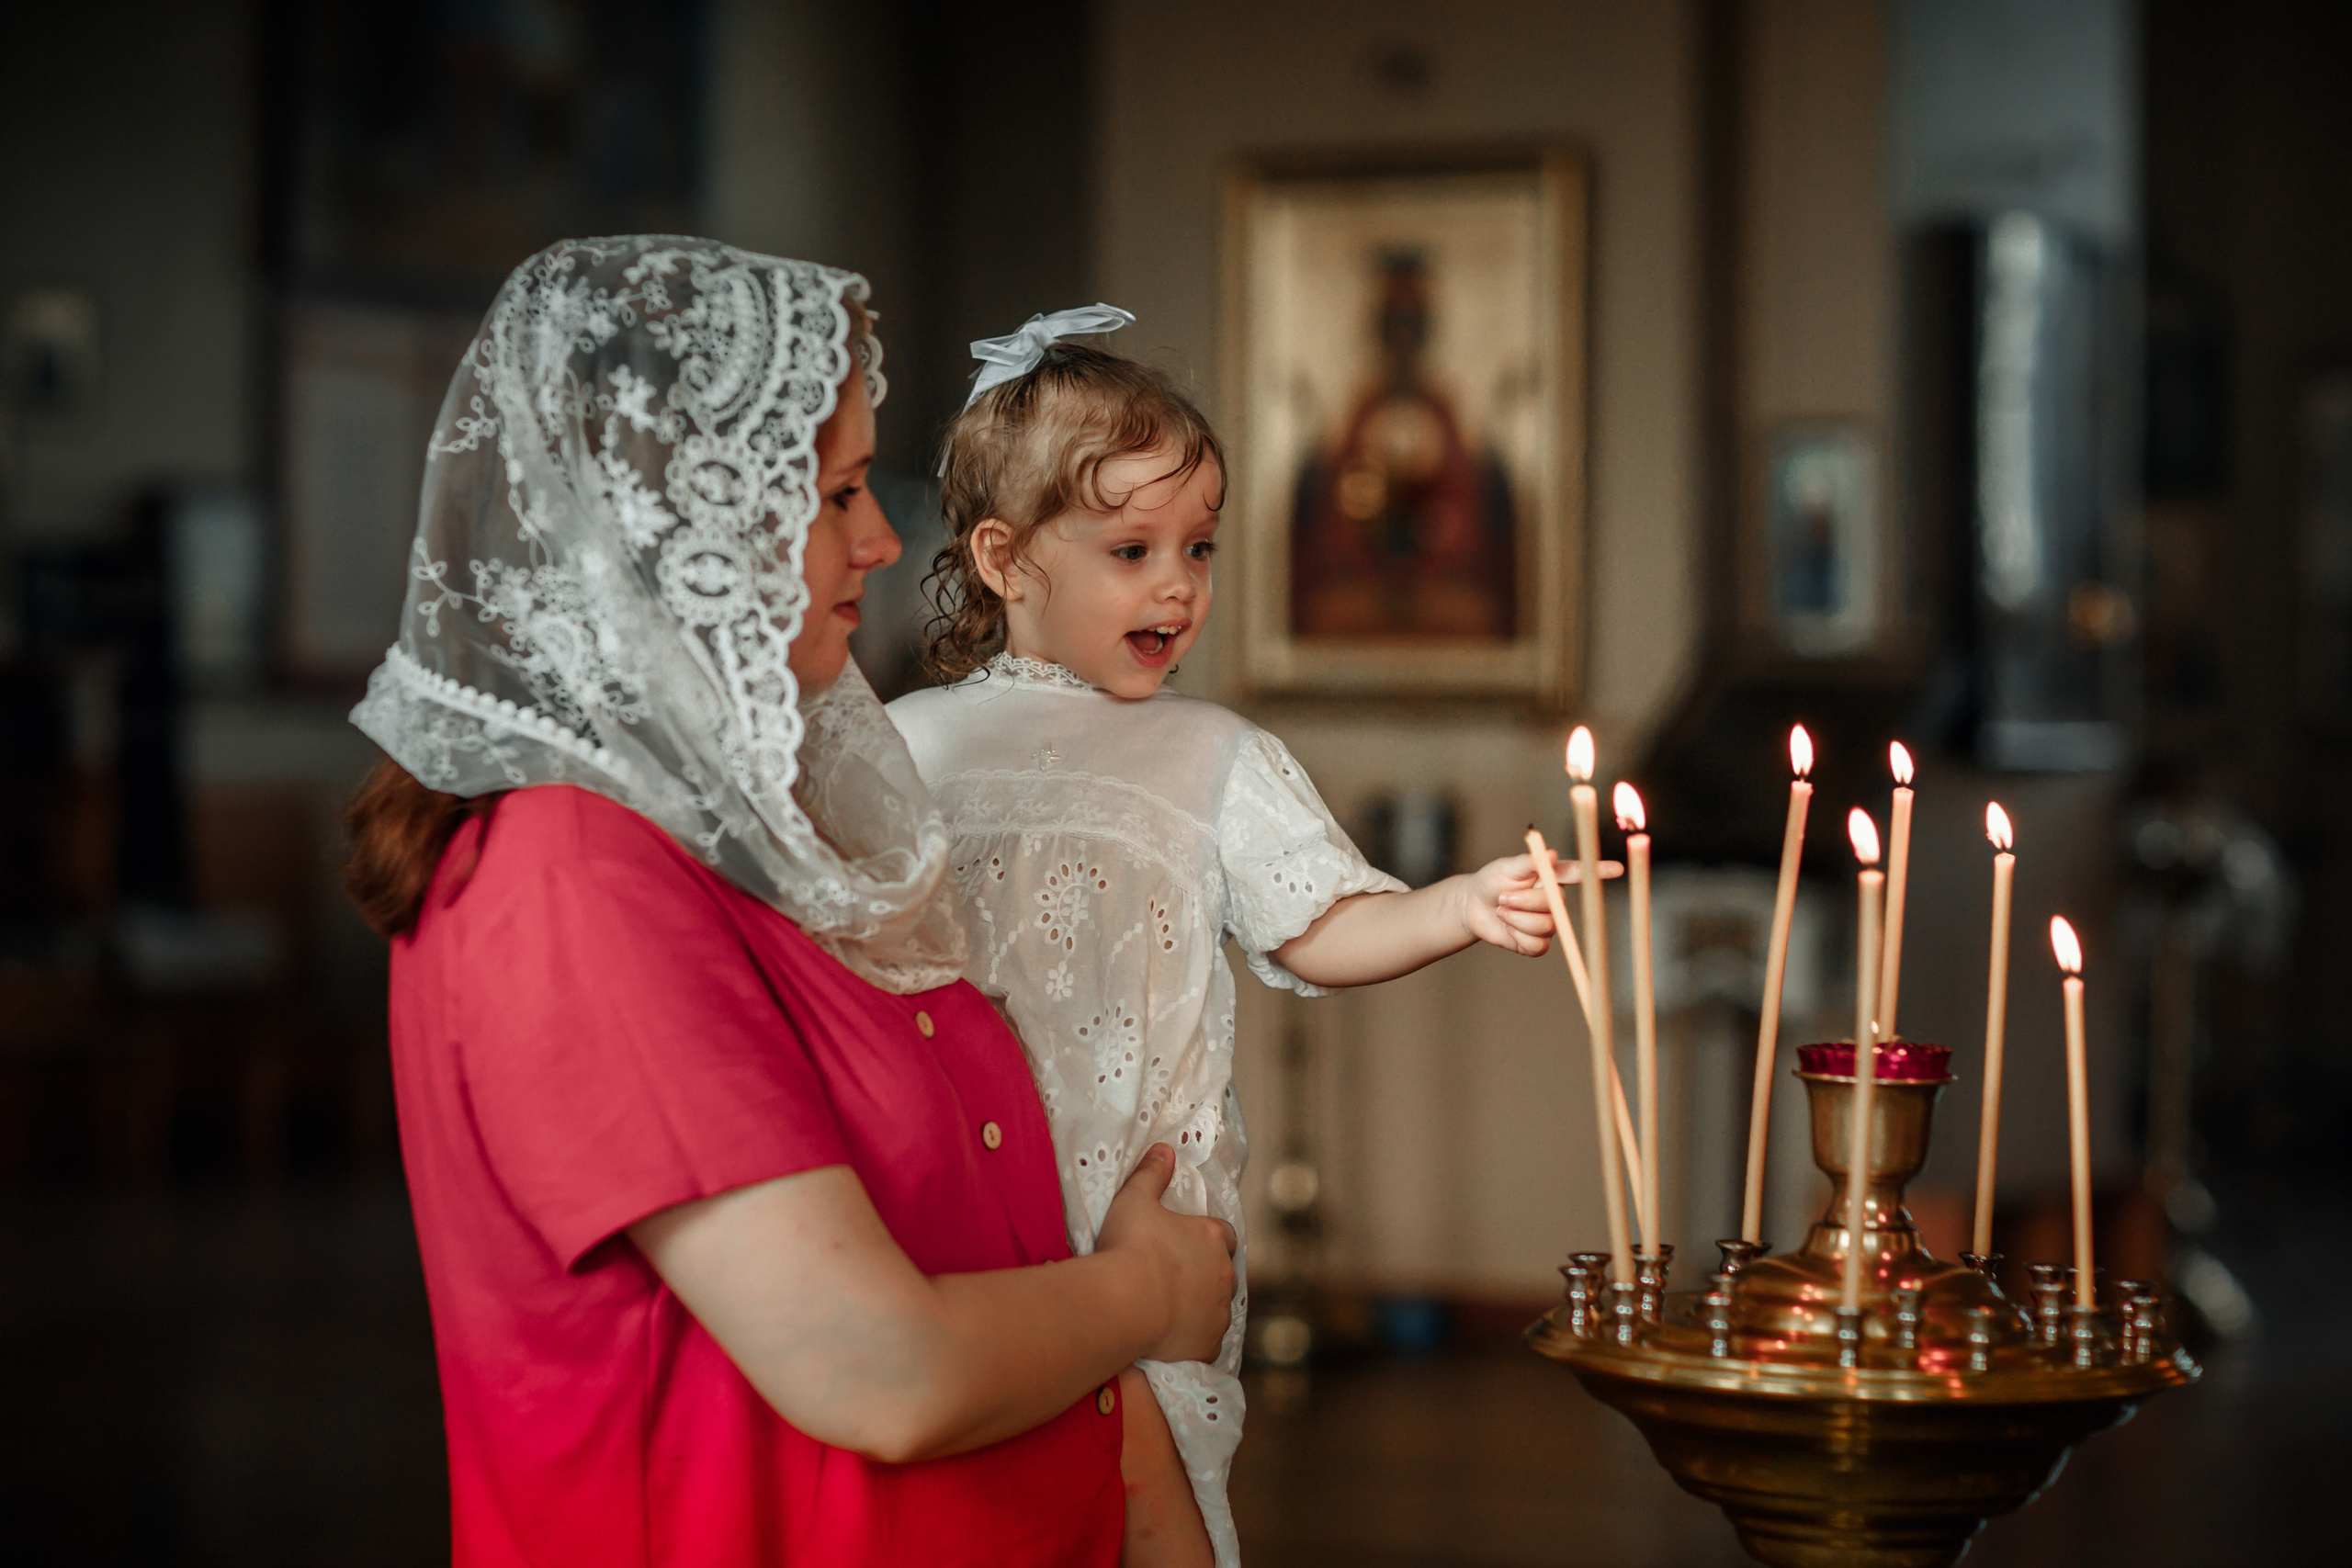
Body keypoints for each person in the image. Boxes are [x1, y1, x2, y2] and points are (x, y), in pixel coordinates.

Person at [343, 238, 1236, 1567]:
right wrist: (1145, 1294)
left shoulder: (758, 831)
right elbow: (876, 1371)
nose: (880, 538)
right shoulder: (572, 872)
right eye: (837, 492)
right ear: (675, 521)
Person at [886, 310, 1561, 1567]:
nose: (1178, 584)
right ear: (1004, 558)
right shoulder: (907, 746)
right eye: (1132, 548)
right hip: (958, 1214)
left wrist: (1456, 906)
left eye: (1197, 546)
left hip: (1146, 1220)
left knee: (1157, 1512)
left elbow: (1320, 926)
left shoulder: (1212, 755)